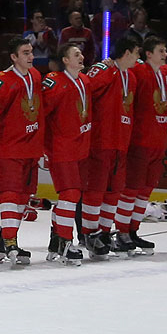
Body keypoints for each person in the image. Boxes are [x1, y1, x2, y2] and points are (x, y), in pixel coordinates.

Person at [0, 39, 42, 265]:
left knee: (24, 196)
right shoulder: (1, 81)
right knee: (10, 194)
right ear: (14, 58)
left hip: (31, 147)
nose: (31, 56)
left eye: (31, 52)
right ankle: (10, 243)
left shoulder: (35, 76)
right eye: (25, 53)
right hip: (9, 147)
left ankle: (4, 242)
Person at [81, 36, 140, 256]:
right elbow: (84, 93)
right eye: (136, 53)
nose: (138, 58)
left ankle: (105, 232)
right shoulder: (103, 70)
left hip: (120, 142)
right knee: (96, 189)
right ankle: (90, 232)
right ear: (126, 53)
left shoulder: (131, 77)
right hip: (101, 140)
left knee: (114, 190)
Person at [117, 36, 167, 255]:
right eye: (161, 50)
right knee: (131, 189)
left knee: (145, 190)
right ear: (148, 54)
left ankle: (133, 231)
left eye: (165, 50)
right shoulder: (137, 73)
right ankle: (122, 231)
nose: (165, 54)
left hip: (158, 142)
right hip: (139, 141)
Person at [40, 43, 92, 264]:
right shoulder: (54, 82)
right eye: (76, 54)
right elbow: (41, 114)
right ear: (65, 60)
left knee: (72, 196)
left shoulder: (85, 81)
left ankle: (56, 240)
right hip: (60, 149)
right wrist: (42, 149)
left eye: (81, 53)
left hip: (80, 148)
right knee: (70, 194)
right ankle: (64, 240)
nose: (81, 56)